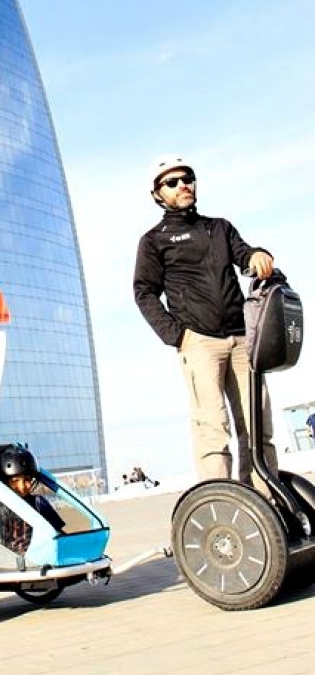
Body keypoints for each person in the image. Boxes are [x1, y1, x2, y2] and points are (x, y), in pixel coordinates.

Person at [133, 155, 278, 487]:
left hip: (243, 339)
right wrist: (176, 335)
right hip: (199, 342)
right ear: (158, 195)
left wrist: (257, 254)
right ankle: (223, 504)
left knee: (258, 427)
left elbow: (244, 256)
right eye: (171, 182)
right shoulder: (155, 240)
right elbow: (144, 291)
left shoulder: (219, 228)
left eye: (188, 178)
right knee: (212, 429)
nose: (182, 185)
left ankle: (264, 501)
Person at [0, 445, 66, 541]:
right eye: (15, 480)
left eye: (27, 480)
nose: (21, 487)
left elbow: (58, 533)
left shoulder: (39, 503)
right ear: (5, 482)